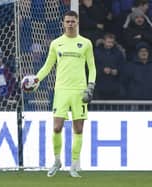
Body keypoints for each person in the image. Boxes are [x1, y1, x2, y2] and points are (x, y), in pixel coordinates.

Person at [28, 10, 96, 178]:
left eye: (73, 21)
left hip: (79, 90)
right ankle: (57, 161)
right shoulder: (56, 43)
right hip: (61, 91)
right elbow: (47, 66)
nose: (70, 24)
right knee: (57, 127)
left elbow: (92, 67)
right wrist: (37, 79)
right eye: (67, 21)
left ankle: (73, 166)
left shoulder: (86, 43)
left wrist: (91, 86)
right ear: (63, 23)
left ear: (77, 22)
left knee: (78, 129)